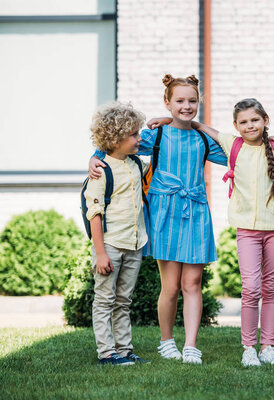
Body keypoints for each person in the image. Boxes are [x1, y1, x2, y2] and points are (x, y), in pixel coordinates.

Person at [89, 75, 228, 364]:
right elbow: (116, 141)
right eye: (179, 101)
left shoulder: (202, 138)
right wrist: (95, 155)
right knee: (172, 285)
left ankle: (190, 345)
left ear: (199, 102)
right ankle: (167, 342)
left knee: (193, 282)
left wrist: (202, 126)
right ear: (168, 103)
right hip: (164, 213)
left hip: (195, 212)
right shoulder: (156, 136)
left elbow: (235, 151)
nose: (186, 106)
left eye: (192, 101)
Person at [197, 98, 274, 367]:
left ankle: (268, 347)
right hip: (247, 230)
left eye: (255, 120)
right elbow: (204, 128)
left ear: (265, 120)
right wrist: (174, 120)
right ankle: (249, 347)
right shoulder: (233, 144)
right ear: (236, 126)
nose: (249, 125)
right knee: (251, 289)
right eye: (243, 122)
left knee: (272, 288)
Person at [84, 101, 149, 365]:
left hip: (134, 244)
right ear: (115, 138)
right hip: (109, 245)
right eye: (133, 134)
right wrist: (100, 253)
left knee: (123, 300)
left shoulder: (135, 163)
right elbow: (94, 214)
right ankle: (106, 352)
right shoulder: (100, 170)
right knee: (104, 300)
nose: (138, 138)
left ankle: (124, 350)